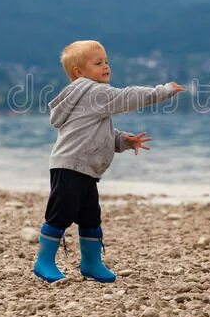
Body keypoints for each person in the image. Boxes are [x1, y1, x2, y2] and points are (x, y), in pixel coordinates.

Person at [33, 40, 186, 283]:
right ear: (79, 72)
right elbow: (127, 97)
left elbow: (97, 132)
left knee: (91, 216)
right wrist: (162, 91)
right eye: (98, 63)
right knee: (60, 214)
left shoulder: (84, 96)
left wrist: (123, 140)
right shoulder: (94, 92)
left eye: (106, 61)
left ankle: (91, 263)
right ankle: (44, 261)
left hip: (83, 168)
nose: (106, 66)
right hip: (70, 166)